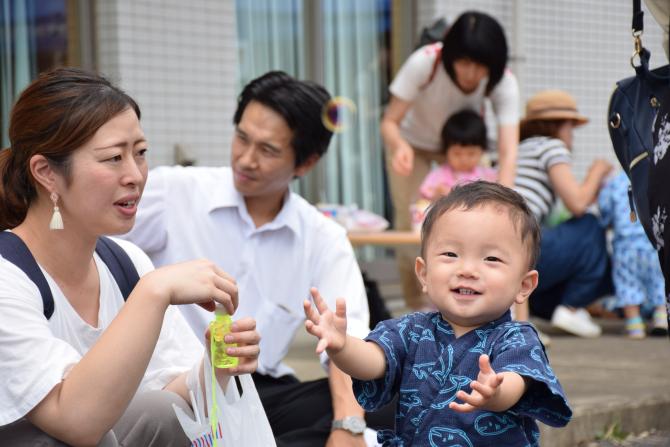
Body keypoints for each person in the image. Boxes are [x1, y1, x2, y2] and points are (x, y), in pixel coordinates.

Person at [121, 71, 390, 446]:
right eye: (242, 138)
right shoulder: (174, 194)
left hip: (255, 389)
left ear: (306, 162)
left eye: (268, 150)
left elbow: (344, 340)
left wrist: (348, 428)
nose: (246, 159)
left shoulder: (322, 237)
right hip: (171, 387)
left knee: (384, 402)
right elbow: (92, 229)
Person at [0, 68, 261, 446]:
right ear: (46, 173)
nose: (135, 175)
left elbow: (169, 393)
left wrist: (217, 367)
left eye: (139, 153)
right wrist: (154, 291)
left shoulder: (125, 261)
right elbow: (76, 422)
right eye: (113, 158)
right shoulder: (8, 278)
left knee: (163, 410)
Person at [303, 181, 572, 446]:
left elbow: (517, 380)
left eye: (491, 259)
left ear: (524, 286)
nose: (467, 269)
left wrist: (496, 391)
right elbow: (374, 363)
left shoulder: (515, 338)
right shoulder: (410, 330)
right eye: (451, 254)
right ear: (424, 273)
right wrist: (343, 347)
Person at [381, 10, 520, 310]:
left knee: (471, 224)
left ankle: (467, 307)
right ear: (449, 54)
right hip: (413, 146)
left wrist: (505, 198)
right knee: (413, 227)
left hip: (462, 152)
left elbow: (509, 151)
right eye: (464, 62)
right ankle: (416, 310)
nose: (471, 73)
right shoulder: (424, 62)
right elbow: (389, 121)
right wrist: (399, 146)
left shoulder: (503, 81)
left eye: (480, 66)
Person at [514, 90, 613, 337]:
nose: (571, 137)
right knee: (590, 226)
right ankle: (570, 308)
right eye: (570, 129)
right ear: (558, 126)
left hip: (509, 243)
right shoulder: (550, 146)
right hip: (524, 242)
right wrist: (597, 172)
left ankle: (560, 311)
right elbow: (577, 204)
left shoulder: (519, 150)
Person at [599, 171, 668, 338]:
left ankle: (634, 325)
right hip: (653, 245)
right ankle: (661, 318)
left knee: (627, 285)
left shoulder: (614, 183)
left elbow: (605, 213)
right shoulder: (656, 178)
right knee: (659, 282)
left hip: (626, 248)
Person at [418, 109, 496, 201]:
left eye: (471, 154)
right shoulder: (438, 175)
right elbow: (424, 198)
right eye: (457, 154)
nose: (464, 159)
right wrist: (437, 195)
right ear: (446, 151)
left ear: (482, 151)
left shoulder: (488, 176)